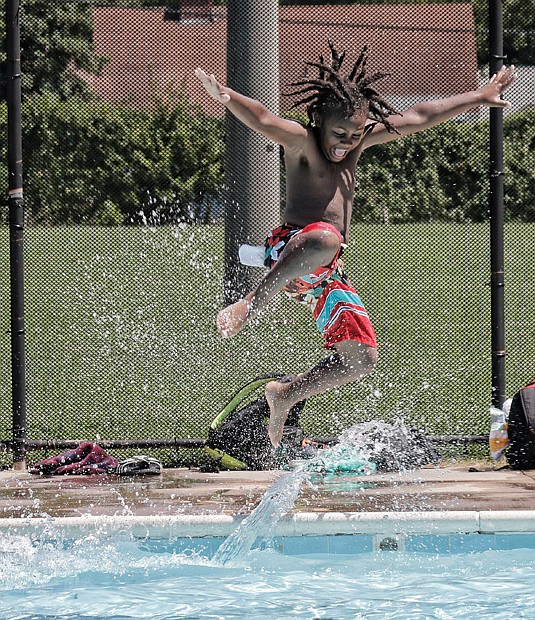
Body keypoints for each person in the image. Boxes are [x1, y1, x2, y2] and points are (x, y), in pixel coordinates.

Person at [195, 42, 516, 448]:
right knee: (325, 237)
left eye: (355, 133)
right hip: (293, 247)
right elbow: (264, 119)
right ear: (318, 122)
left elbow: (420, 115)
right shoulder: (303, 144)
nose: (346, 142)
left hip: (326, 269)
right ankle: (250, 303)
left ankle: (286, 393)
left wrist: (480, 96)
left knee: (361, 358)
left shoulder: (358, 144)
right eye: (338, 133)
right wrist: (227, 96)